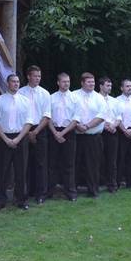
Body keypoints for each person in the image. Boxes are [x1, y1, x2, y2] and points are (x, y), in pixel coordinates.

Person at [0, 74, 34, 210]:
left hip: (21, 137)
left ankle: (21, 199)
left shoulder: (25, 101)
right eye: (13, 82)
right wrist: (6, 139)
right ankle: (0, 200)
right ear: (7, 83)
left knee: (21, 170)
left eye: (17, 82)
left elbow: (29, 122)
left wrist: (18, 139)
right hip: (3, 137)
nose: (16, 84)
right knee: (2, 170)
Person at [19, 65, 52, 204]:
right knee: (25, 163)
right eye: (35, 76)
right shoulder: (20, 92)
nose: (38, 79)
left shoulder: (45, 93)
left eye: (39, 76)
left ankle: (41, 194)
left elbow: (47, 115)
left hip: (40, 128)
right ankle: (26, 192)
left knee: (41, 163)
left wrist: (36, 131)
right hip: (23, 130)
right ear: (28, 76)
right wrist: (27, 132)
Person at [73, 72, 106, 198]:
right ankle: (73, 190)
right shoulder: (74, 95)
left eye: (93, 82)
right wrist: (77, 126)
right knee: (75, 164)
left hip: (93, 137)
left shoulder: (99, 98)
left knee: (93, 164)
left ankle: (93, 190)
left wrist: (86, 126)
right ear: (82, 83)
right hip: (77, 136)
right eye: (89, 82)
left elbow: (102, 116)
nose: (92, 84)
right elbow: (70, 114)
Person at [48, 73, 78, 201]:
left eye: (68, 81)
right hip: (53, 131)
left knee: (69, 164)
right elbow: (47, 117)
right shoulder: (51, 98)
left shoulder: (74, 98)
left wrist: (63, 133)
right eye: (64, 81)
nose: (66, 84)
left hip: (69, 132)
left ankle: (70, 192)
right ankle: (49, 191)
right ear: (58, 83)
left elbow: (76, 119)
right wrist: (55, 133)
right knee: (52, 164)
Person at [98, 77, 120, 193]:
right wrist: (105, 125)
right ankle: (97, 183)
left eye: (110, 86)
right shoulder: (95, 98)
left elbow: (119, 117)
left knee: (112, 160)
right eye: (107, 85)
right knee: (98, 159)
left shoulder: (114, 100)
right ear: (101, 86)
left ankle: (112, 184)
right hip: (99, 132)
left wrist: (113, 126)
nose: (109, 88)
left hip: (112, 132)